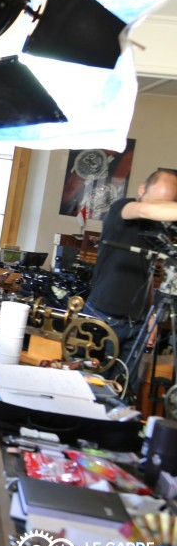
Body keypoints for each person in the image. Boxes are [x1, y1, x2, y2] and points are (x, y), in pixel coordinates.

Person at [82, 168, 177, 397]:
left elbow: (148, 275)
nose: (160, 212)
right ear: (142, 190)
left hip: (139, 324)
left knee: (123, 395)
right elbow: (144, 209)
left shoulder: (158, 231)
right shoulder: (121, 209)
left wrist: (152, 315)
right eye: (159, 203)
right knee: (87, 389)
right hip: (103, 318)